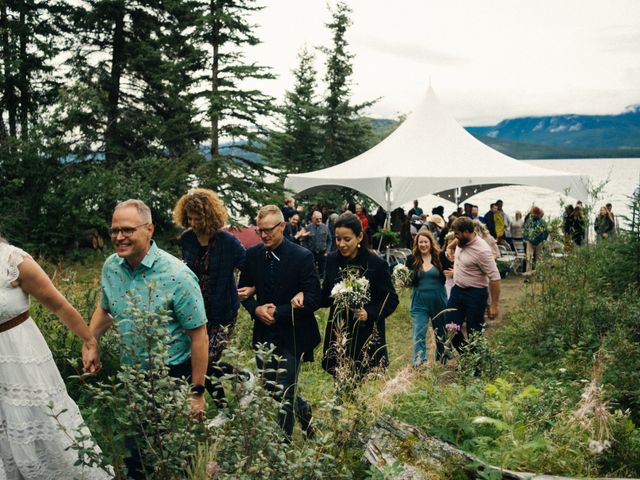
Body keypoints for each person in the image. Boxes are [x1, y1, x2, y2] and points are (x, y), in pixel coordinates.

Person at [89, 199, 208, 478]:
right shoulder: (111, 267)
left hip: (171, 378)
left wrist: (197, 392)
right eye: (114, 230)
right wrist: (90, 343)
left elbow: (198, 335)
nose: (119, 237)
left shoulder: (177, 275)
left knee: (176, 463)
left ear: (150, 229)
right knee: (136, 460)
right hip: (132, 380)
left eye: (128, 230)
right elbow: (106, 309)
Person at [0, 236, 111, 479]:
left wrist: (89, 341)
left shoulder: (13, 260)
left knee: (42, 420)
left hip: (21, 356)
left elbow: (59, 305)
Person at [238, 205, 321, 439]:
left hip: (293, 334)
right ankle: (303, 409)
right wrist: (256, 309)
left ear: (282, 226)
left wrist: (280, 312)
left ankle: (281, 449)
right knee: (270, 388)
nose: (264, 235)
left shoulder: (302, 256)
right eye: (260, 230)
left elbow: (314, 297)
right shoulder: (253, 255)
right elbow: (243, 292)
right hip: (264, 334)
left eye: (269, 230)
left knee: (284, 391)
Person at [173, 189, 247, 407]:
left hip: (223, 311)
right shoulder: (187, 239)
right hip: (195, 310)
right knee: (197, 359)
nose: (192, 222)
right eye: (189, 218)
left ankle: (239, 384)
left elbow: (248, 267)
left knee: (205, 361)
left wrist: (249, 290)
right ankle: (235, 387)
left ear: (209, 216)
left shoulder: (228, 242)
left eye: (197, 218)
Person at [321, 212, 399, 377]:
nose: (341, 244)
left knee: (363, 378)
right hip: (339, 329)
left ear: (360, 237)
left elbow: (391, 298)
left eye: (347, 239)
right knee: (340, 378)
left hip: (366, 332)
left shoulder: (376, 264)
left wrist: (369, 313)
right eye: (337, 239)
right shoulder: (332, 260)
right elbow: (325, 294)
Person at [435, 216, 501, 359]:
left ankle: (476, 369)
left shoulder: (482, 251)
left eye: (457, 234)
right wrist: (450, 247)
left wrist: (494, 305)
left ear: (466, 232)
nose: (455, 237)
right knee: (450, 327)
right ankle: (468, 358)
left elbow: (495, 278)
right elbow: (456, 241)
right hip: (458, 291)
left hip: (475, 294)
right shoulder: (461, 240)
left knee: (474, 332)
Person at [406, 229, 447, 367]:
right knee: (419, 331)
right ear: (417, 244)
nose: (423, 245)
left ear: (431, 243)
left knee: (441, 330)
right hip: (419, 302)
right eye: (420, 242)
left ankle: (443, 356)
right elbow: (406, 278)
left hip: (438, 300)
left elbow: (453, 270)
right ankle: (419, 360)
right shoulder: (412, 259)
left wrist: (452, 273)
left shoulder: (440, 257)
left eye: (425, 242)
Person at [301, 210, 332, 277]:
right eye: (317, 219)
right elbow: (304, 240)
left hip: (323, 254)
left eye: (320, 218)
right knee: (311, 272)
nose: (319, 220)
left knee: (323, 273)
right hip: (312, 253)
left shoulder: (325, 227)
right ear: (312, 219)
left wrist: (327, 252)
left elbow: (329, 240)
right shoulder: (308, 227)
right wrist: (307, 251)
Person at [523, 206, 548, 273]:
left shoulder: (542, 222)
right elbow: (525, 230)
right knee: (529, 258)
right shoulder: (529, 221)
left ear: (537, 214)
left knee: (539, 259)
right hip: (530, 242)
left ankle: (538, 274)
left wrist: (543, 240)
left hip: (539, 242)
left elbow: (545, 232)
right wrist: (525, 239)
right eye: (532, 214)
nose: (533, 215)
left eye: (534, 214)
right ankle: (528, 275)